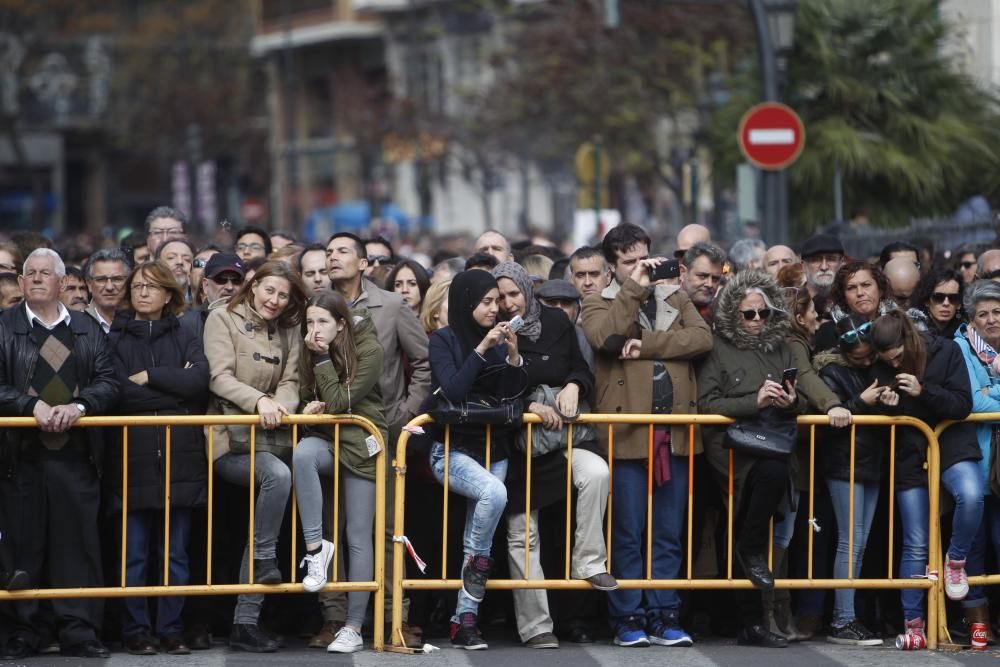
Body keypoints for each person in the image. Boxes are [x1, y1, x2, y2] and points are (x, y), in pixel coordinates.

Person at [581, 223, 713, 649]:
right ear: (612, 266)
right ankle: (627, 617)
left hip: (674, 431)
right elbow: (606, 338)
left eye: (644, 258)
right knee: (627, 531)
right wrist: (634, 289)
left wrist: (648, 344)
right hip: (626, 432)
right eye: (629, 262)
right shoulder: (597, 302)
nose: (641, 267)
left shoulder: (673, 294)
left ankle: (664, 614)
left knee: (668, 532)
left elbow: (701, 338)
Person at [0, 248, 119, 660]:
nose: (35, 279)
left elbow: (109, 381)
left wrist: (80, 406)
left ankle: (79, 629)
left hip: (77, 454)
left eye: (44, 273)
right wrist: (29, 406)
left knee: (78, 546)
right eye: (28, 273)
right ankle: (24, 630)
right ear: (19, 283)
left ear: (62, 282)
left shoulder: (86, 328)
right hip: (20, 457)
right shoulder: (3, 327)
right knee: (23, 547)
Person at [491, 262, 613, 650]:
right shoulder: (494, 334)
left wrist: (576, 385)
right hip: (518, 445)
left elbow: (581, 368)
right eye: (501, 296)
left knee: (596, 471)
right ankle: (535, 625)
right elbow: (492, 386)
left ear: (528, 290)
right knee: (521, 532)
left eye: (515, 293)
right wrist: (531, 401)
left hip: (563, 438)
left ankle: (590, 563)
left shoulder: (557, 324)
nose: (510, 302)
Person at [321, 231, 430, 648]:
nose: (333, 258)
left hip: (378, 433)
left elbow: (422, 363)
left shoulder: (391, 305)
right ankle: (335, 619)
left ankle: (392, 619)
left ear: (364, 263)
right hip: (329, 430)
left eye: (342, 252)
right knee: (334, 528)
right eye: (329, 252)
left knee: (384, 529)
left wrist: (402, 417)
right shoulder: (317, 304)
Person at [697, 269, 807, 648]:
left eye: (763, 313)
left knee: (750, 528)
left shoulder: (782, 347)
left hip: (774, 443)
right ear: (732, 314)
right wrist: (754, 400)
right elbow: (707, 403)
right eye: (749, 314)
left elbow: (801, 395)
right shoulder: (715, 347)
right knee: (740, 526)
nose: (757, 320)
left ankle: (756, 624)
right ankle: (749, 621)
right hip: (732, 450)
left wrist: (793, 401)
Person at [106, 260, 210, 656]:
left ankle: (170, 627)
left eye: (152, 287)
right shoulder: (115, 338)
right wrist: (173, 385)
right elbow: (117, 393)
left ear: (169, 294)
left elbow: (199, 382)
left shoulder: (185, 333)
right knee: (133, 552)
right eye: (137, 286)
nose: (142, 293)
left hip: (180, 456)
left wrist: (150, 376)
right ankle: (135, 629)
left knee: (175, 553)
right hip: (131, 454)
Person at [203, 260, 306, 653]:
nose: (275, 301)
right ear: (254, 284)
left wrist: (279, 405)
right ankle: (265, 558)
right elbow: (219, 376)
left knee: (275, 483)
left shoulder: (290, 329)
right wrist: (260, 401)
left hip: (271, 437)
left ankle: (245, 622)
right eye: (269, 291)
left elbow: (292, 379)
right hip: (229, 440)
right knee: (277, 477)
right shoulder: (222, 318)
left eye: (283, 295)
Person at [428, 269, 527, 649]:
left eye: (496, 301)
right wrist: (483, 348)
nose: (495, 308)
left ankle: (465, 620)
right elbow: (451, 388)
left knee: (477, 535)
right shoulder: (444, 339)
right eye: (486, 302)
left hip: (495, 449)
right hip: (452, 449)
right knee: (494, 494)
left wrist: (514, 356)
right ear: (466, 302)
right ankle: (476, 573)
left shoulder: (501, 342)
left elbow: (511, 396)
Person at [868, 309, 977, 649]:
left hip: (952, 445)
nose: (895, 364)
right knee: (915, 542)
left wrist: (922, 390)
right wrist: (885, 407)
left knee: (972, 496)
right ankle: (913, 624)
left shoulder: (946, 350)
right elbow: (885, 416)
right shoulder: (882, 366)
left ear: (910, 340)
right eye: (888, 360)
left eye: (898, 357)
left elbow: (962, 405)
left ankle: (955, 560)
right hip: (910, 454)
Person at [294, 291, 386, 653]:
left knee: (358, 534)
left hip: (364, 440)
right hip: (329, 438)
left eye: (322, 322)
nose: (314, 330)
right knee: (303, 455)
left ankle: (353, 626)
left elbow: (342, 402)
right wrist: (308, 406)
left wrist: (320, 361)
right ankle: (316, 550)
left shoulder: (370, 349)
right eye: (310, 322)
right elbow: (309, 393)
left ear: (341, 324)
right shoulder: (311, 349)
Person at [767, 287, 850, 641]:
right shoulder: (794, 343)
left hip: (786, 453)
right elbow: (809, 378)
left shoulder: (792, 341)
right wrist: (832, 403)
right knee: (778, 538)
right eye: (813, 312)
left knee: (781, 538)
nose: (818, 318)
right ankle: (771, 613)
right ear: (798, 317)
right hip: (784, 453)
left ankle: (780, 615)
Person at [813, 314, 889, 647]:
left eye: (870, 355)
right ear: (845, 354)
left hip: (872, 461)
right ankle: (842, 620)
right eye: (859, 358)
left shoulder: (878, 366)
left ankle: (849, 617)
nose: (867, 360)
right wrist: (861, 403)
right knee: (850, 542)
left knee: (861, 541)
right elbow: (833, 417)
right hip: (844, 463)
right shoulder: (831, 372)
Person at [952, 279, 1000, 640]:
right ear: (972, 319)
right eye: (983, 313)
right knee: (976, 547)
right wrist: (986, 393)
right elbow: (973, 402)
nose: (992, 320)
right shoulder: (960, 348)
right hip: (979, 462)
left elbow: (987, 398)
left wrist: (992, 388)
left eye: (998, 312)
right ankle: (976, 621)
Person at [814, 261, 895, 352]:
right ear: (843, 296)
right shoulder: (829, 331)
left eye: (866, 285)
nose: (860, 293)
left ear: (880, 290)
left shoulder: (899, 325)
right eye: (851, 288)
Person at [84, 247, 132, 334]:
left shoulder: (142, 322)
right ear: (89, 284)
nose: (109, 287)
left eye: (117, 279)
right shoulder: (72, 324)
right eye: (101, 279)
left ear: (128, 282)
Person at [679, 242, 725, 323]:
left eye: (715, 279)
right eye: (702, 276)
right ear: (682, 273)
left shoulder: (723, 316)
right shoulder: (662, 309)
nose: (709, 284)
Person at [914, 268, 965, 339]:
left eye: (953, 298)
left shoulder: (966, 334)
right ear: (927, 301)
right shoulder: (913, 331)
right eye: (938, 297)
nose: (946, 303)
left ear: (959, 304)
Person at [799, 234, 845, 302]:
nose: (824, 267)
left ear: (841, 263)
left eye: (831, 259)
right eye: (816, 260)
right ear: (803, 266)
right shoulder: (790, 304)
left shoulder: (852, 302)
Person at [154, 237, 196, 307]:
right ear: (157, 265)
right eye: (171, 257)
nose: (180, 262)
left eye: (187, 259)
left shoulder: (201, 304)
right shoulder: (147, 299)